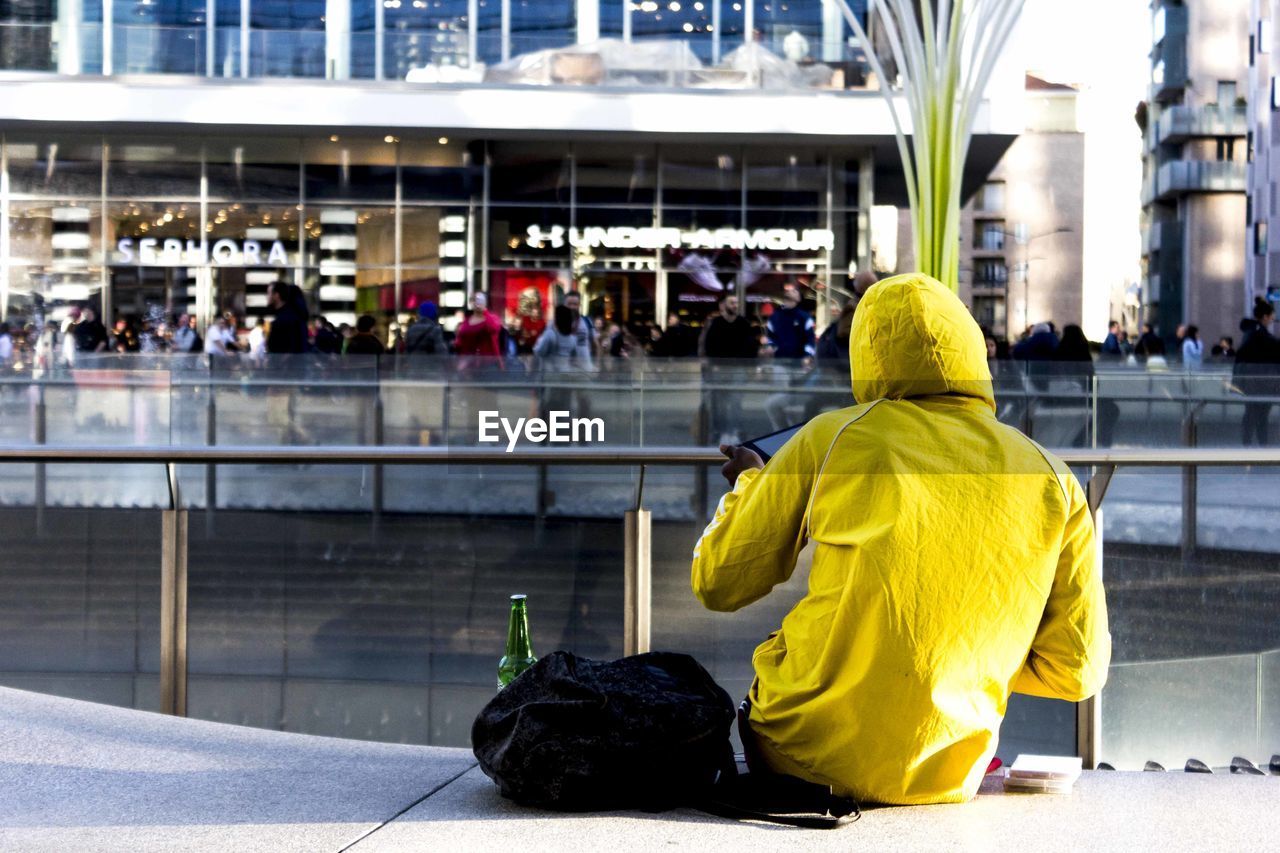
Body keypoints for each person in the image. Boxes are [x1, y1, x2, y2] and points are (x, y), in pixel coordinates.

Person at [691, 272, 1109, 806]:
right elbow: (1077, 671)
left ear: (867, 353)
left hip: (801, 754)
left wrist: (751, 483)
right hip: (950, 770)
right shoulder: (1052, 476)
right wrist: (966, 655)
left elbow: (718, 581)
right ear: (972, 353)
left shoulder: (833, 437)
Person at [699, 293, 759, 444]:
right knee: (718, 403)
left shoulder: (743, 324)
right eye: (732, 303)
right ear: (724, 305)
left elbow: (751, 347)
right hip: (719, 369)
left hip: (738, 369)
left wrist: (748, 366)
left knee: (735, 402)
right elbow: (708, 346)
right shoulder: (716, 323)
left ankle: (733, 431)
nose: (735, 305)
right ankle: (720, 431)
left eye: (736, 303)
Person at [1053, 324, 1118, 446]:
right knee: (1111, 408)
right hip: (1080, 397)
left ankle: (1082, 438)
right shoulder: (1082, 353)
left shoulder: (1058, 353)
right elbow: (1091, 379)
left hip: (1060, 398)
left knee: (1095, 409)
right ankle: (1103, 441)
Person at [1234, 297, 1280, 446]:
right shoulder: (1259, 335)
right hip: (1260, 383)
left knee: (1254, 415)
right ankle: (1258, 447)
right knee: (1257, 416)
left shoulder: (1252, 333)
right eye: (1271, 315)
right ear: (1265, 316)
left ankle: (1252, 446)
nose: (1273, 318)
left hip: (1255, 383)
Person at [766, 282, 816, 361]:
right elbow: (770, 337)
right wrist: (770, 347)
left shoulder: (805, 317)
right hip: (779, 361)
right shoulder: (774, 317)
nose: (790, 291)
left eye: (794, 290)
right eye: (788, 290)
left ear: (798, 298)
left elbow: (811, 339)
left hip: (799, 362)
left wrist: (808, 356)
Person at [453, 292, 503, 359]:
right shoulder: (466, 321)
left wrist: (484, 312)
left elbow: (493, 328)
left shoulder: (493, 318)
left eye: (480, 300)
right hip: (468, 363)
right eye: (474, 300)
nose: (477, 302)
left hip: (488, 362)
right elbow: (460, 341)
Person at [266, 282, 307, 354]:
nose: (267, 297)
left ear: (276, 295)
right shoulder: (296, 318)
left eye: (269, 293)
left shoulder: (283, 321)